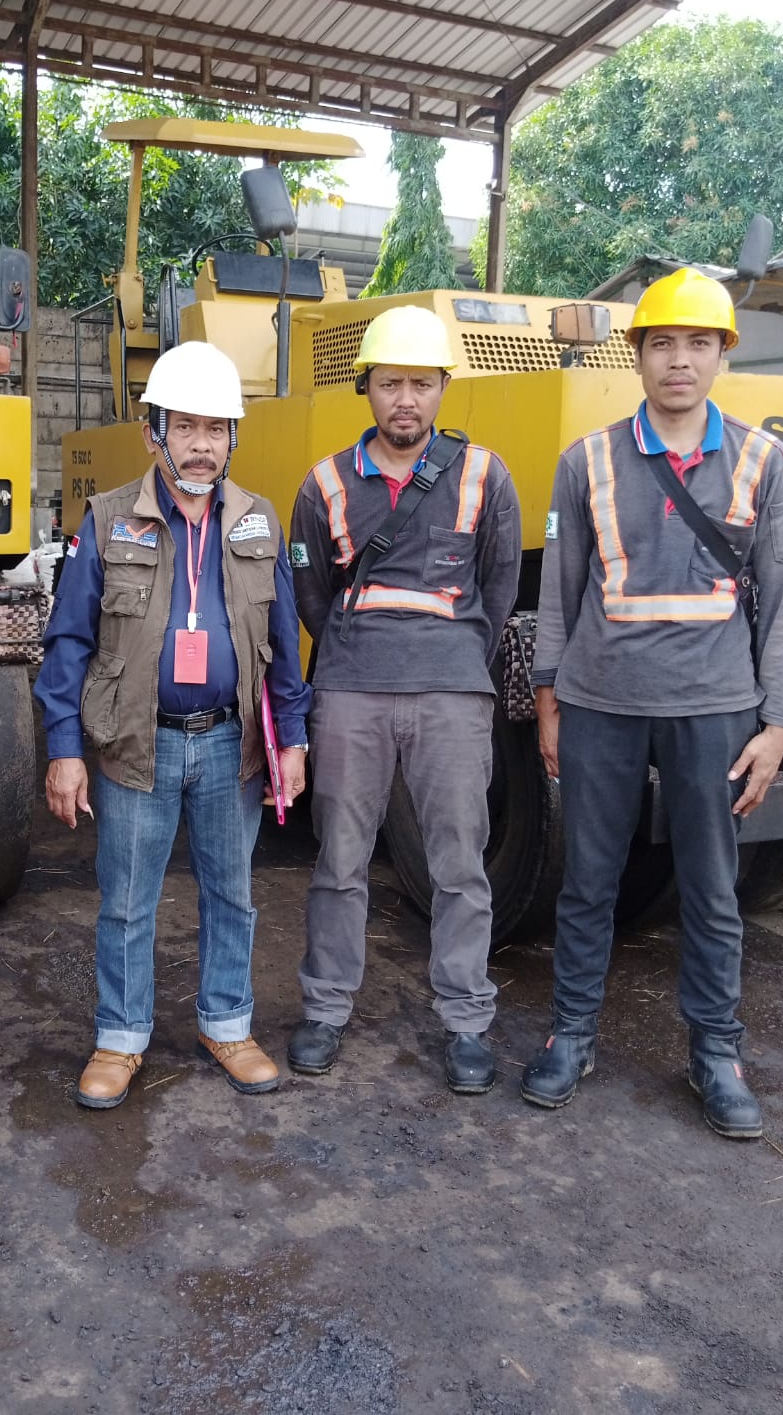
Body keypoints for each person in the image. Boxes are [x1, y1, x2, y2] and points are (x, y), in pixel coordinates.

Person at [522, 269, 783, 1139]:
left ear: (723, 355)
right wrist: (547, 696)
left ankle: (716, 1053)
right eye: (661, 343)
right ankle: (571, 1035)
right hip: (600, 705)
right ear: (639, 355)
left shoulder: (764, 463)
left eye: (697, 343)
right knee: (588, 882)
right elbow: (562, 589)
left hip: (715, 711)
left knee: (713, 890)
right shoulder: (587, 461)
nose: (678, 360)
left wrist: (779, 725)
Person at [35, 340, 311, 1108]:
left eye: (215, 428)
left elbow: (285, 642)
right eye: (184, 426)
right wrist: (64, 748)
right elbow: (68, 641)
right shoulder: (108, 519)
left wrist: (292, 738)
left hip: (231, 743)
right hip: (136, 744)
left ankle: (228, 1024)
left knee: (232, 894)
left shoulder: (257, 521)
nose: (200, 444)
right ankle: (120, 1038)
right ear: (154, 431)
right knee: (126, 901)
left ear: (233, 437)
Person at [286, 306, 522, 1090]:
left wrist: (453, 654)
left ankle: (466, 1020)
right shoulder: (324, 482)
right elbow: (312, 592)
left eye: (422, 383)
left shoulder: (485, 474)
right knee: (340, 858)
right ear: (367, 387)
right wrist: (354, 649)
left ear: (444, 387)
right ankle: (325, 1008)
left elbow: (498, 584)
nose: (406, 399)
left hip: (452, 692)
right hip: (352, 688)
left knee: (459, 863)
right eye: (391, 383)